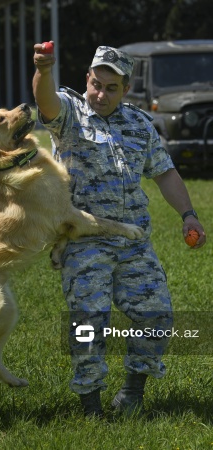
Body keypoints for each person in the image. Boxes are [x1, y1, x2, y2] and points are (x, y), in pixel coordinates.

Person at [32, 43, 206, 418]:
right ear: (87, 80)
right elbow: (45, 102)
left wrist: (188, 215)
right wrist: (44, 71)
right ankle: (91, 406)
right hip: (83, 240)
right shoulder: (70, 114)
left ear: (125, 90)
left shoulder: (139, 124)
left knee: (157, 314)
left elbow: (164, 171)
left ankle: (131, 395)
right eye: (96, 84)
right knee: (88, 323)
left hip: (132, 241)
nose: (101, 94)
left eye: (112, 88)